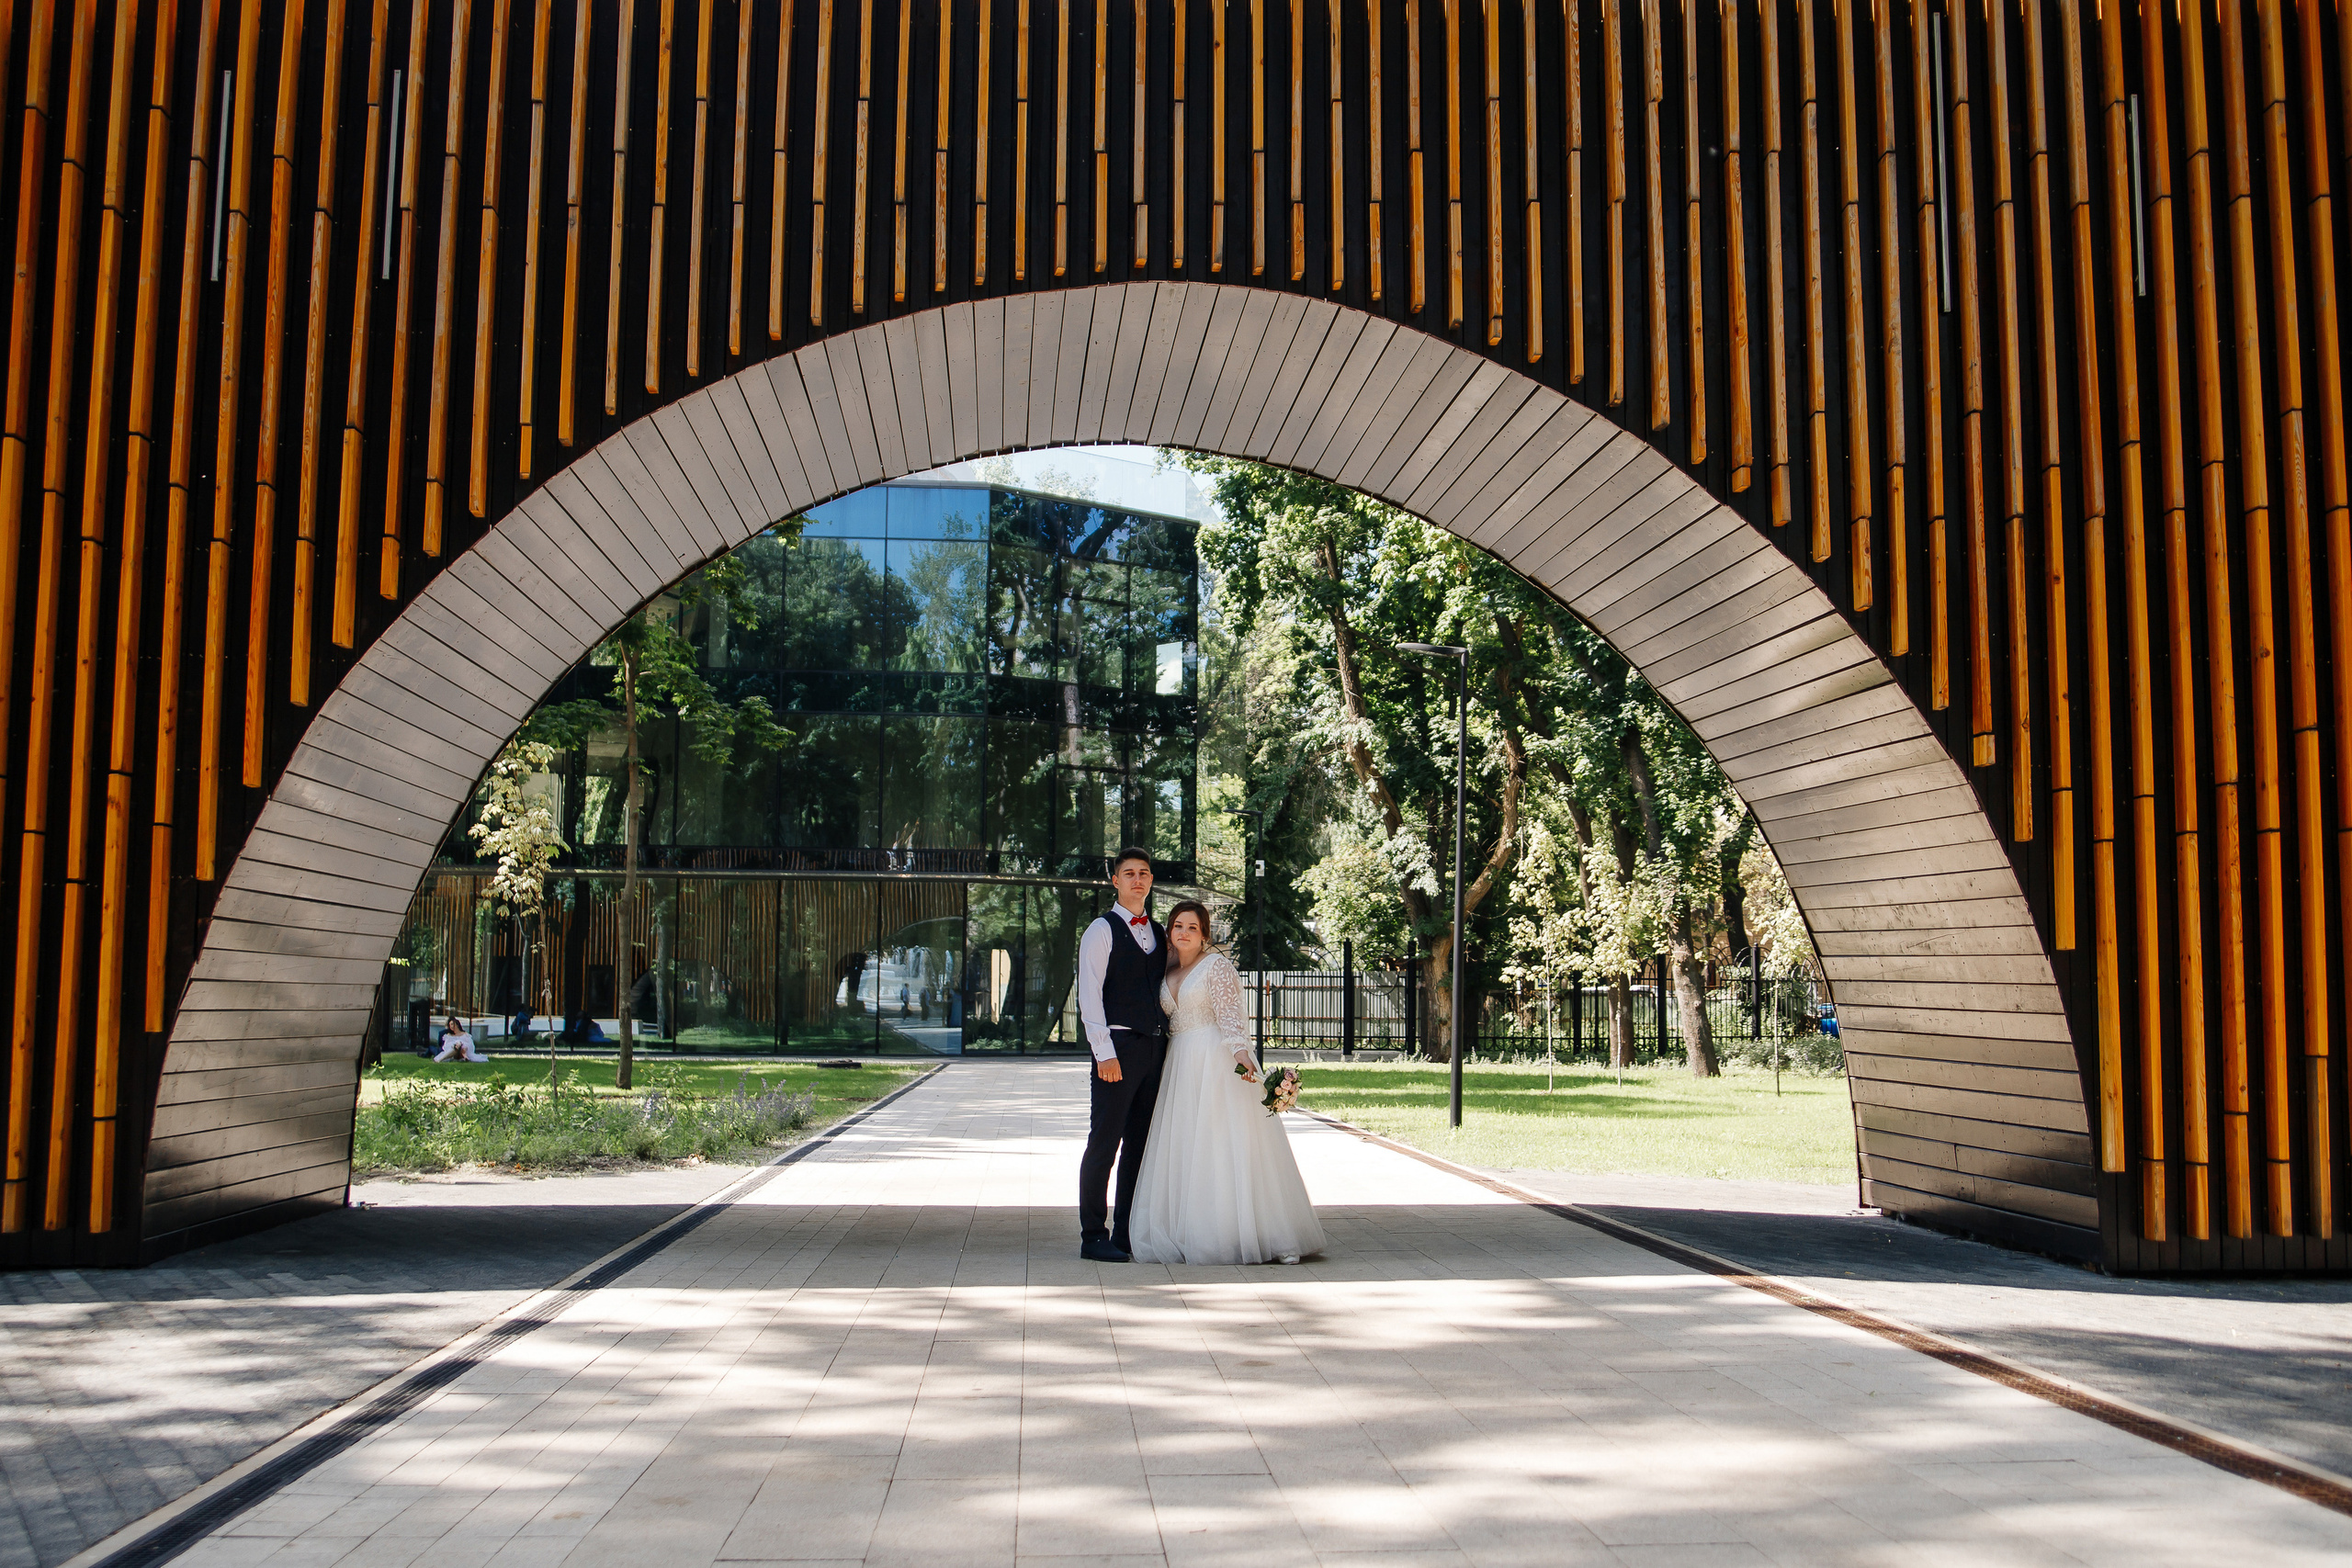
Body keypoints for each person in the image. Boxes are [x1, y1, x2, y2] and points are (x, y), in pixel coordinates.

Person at [1126, 902, 1324, 1266]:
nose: (1183, 933)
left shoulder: (1216, 967)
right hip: (1180, 1062)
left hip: (1213, 1059)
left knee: (1224, 1143)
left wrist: (1242, 1057)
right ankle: (1192, 1230)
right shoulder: (1167, 971)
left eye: (1192, 927)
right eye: (1177, 926)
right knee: (1188, 1145)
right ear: (1169, 932)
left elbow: (1231, 1017)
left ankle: (1268, 1234)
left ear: (1205, 934)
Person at [1075, 847, 1170, 1263]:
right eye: (1129, 873)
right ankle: (1093, 1235)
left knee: (1139, 1146)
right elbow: (1090, 996)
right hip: (1118, 1049)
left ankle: (1126, 1233)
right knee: (1104, 1142)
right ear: (1115, 881)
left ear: (1151, 881)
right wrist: (1104, 1054)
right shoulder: (1101, 929)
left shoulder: (1161, 932)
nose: (1137, 879)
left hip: (1155, 1050)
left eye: (1144, 873)